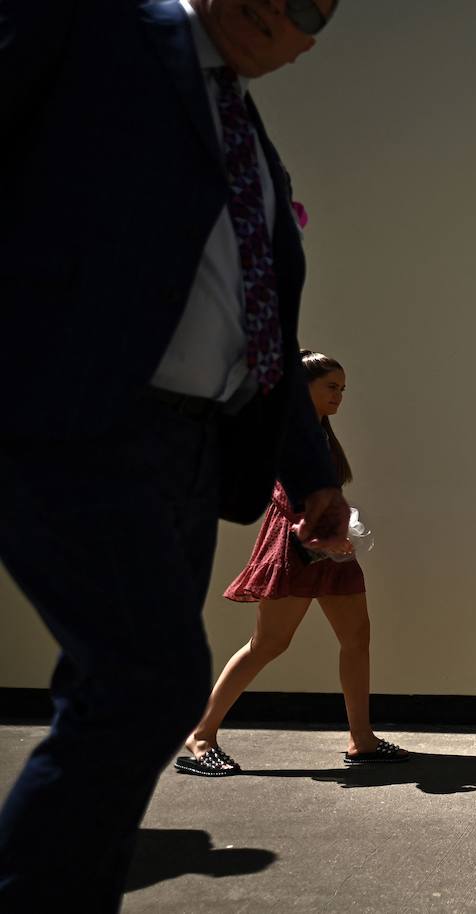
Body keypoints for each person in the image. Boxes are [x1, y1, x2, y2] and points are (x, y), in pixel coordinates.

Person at [0, 0, 345, 907]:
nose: (310, 28)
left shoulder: (242, 123)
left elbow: (262, 318)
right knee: (151, 681)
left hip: (193, 451)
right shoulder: (92, 31)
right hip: (77, 421)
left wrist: (309, 470)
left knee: (116, 697)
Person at [176, 350, 409, 775]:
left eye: (342, 388)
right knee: (268, 643)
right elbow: (284, 494)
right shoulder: (287, 431)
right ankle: (201, 735)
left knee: (357, 639)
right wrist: (323, 530)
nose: (339, 396)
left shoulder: (319, 433)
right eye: (330, 387)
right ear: (303, 389)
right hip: (297, 547)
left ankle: (362, 739)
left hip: (330, 548)